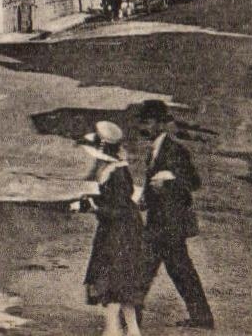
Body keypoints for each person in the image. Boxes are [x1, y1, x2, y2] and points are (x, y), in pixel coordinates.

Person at [137, 101, 214, 329]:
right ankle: (202, 317)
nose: (144, 127)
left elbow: (193, 182)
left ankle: (130, 317)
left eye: (148, 122)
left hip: (170, 224)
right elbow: (153, 183)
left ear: (161, 124)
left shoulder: (175, 150)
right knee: (175, 270)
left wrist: (168, 183)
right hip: (161, 223)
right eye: (143, 122)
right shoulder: (155, 150)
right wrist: (146, 198)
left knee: (152, 268)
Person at [71, 120, 147, 336]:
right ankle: (131, 331)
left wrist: (93, 206)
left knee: (112, 283)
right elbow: (113, 200)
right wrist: (90, 202)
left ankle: (113, 330)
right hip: (118, 231)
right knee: (121, 285)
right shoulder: (112, 170)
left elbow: (119, 208)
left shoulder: (116, 174)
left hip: (121, 234)